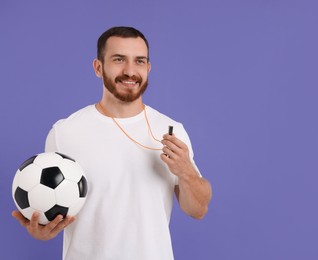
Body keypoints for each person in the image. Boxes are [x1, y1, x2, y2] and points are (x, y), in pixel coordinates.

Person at [12, 26, 212, 260]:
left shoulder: (171, 131)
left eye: (139, 61)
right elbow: (53, 209)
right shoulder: (65, 132)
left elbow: (198, 210)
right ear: (98, 67)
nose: (130, 71)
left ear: (148, 68)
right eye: (119, 59)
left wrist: (186, 171)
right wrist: (44, 230)